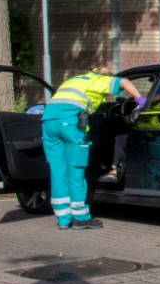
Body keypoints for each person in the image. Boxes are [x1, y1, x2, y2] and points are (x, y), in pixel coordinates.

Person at [42, 66, 145, 230]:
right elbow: (124, 82)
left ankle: (63, 219)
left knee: (58, 170)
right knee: (76, 170)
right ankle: (80, 218)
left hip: (48, 121)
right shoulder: (99, 80)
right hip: (70, 123)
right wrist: (141, 101)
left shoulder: (74, 80)